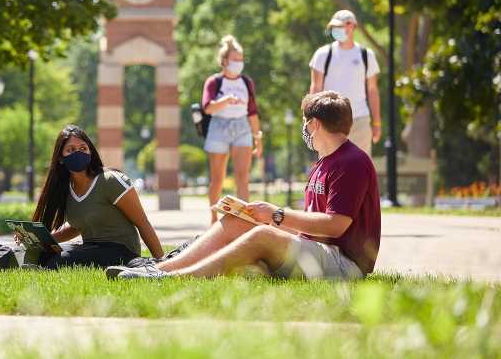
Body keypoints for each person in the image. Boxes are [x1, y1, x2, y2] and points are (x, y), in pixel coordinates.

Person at [107, 91, 381, 281]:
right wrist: (256, 214)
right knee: (236, 221)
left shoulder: (352, 162)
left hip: (346, 265)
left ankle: (173, 278)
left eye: (306, 122)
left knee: (262, 235)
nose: (305, 129)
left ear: (316, 124)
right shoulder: (323, 163)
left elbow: (335, 225)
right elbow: (311, 226)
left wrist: (276, 215)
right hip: (318, 251)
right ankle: (160, 268)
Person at [31, 124, 164, 269]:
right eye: (71, 150)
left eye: (83, 148)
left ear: (90, 152)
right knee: (44, 255)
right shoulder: (65, 189)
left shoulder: (110, 181)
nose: (78, 153)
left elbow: (142, 222)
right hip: (91, 248)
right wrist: (40, 240)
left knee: (59, 262)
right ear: (60, 158)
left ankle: (146, 266)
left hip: (121, 251)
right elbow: (79, 225)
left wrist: (162, 264)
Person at [201, 35, 263, 223]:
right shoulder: (214, 82)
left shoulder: (246, 82)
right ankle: (213, 218)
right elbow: (208, 108)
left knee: (242, 177)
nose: (239, 63)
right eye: (235, 59)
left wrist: (258, 139)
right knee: (217, 178)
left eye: (241, 59)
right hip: (219, 126)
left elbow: (252, 112)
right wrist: (226, 100)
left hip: (242, 126)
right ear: (225, 61)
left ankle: (243, 220)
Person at [309, 9, 381, 155]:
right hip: (330, 121)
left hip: (360, 120)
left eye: (339, 27)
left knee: (360, 170)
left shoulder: (366, 55)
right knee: (331, 170)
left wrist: (377, 122)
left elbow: (372, 90)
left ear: (352, 26)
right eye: (334, 27)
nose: (335, 30)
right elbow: (315, 88)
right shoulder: (322, 54)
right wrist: (310, 119)